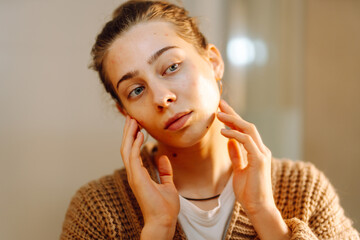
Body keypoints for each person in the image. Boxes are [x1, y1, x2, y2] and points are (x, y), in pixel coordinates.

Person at [60, 1, 359, 239]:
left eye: (172, 67)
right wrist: (158, 229)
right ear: (125, 111)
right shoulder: (97, 210)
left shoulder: (304, 189)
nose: (161, 97)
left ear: (213, 62)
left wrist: (266, 216)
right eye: (136, 90)